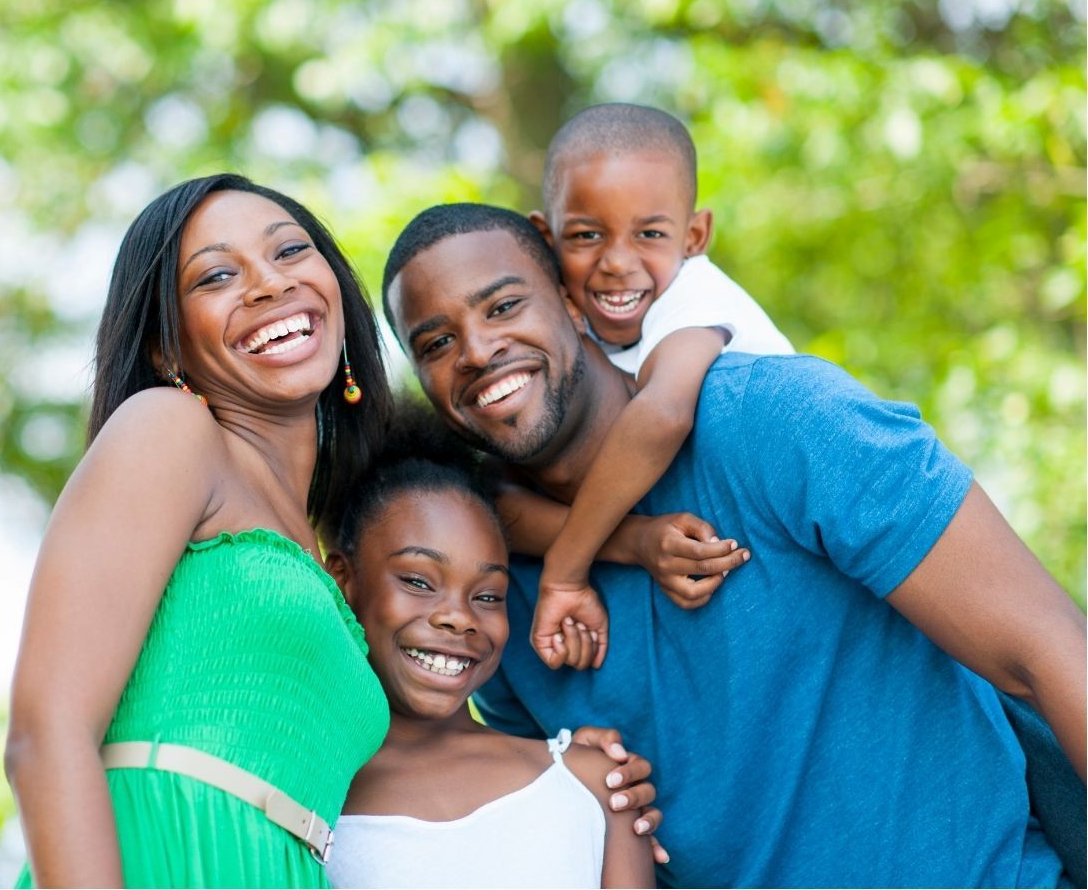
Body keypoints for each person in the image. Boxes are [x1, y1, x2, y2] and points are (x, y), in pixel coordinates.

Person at [380, 201, 1086, 887]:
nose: (475, 351)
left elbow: (1047, 649)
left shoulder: (774, 422)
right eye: (436, 344)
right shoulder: (489, 593)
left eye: (503, 307)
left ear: (571, 300)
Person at [5, 173, 395, 888]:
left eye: (290, 252)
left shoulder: (324, 558)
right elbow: (45, 733)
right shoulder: (170, 430)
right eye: (216, 275)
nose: (269, 284)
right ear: (167, 351)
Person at [517, 104, 794, 668]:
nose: (617, 262)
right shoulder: (574, 325)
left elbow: (663, 414)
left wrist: (565, 571)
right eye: (586, 234)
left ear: (694, 235)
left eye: (649, 233)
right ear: (544, 239)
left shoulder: (695, 297)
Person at [321, 432, 654, 888]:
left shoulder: (591, 783)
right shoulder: (306, 795)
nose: (459, 618)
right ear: (342, 581)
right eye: (419, 581)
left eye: (487, 595)